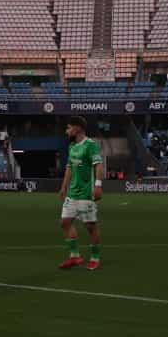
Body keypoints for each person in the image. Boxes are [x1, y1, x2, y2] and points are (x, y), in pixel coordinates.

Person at [57, 117, 104, 272]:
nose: (67, 131)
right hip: (72, 194)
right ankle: (75, 256)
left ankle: (95, 258)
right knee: (65, 222)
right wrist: (64, 187)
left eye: (69, 128)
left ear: (77, 129)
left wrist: (98, 185)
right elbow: (69, 168)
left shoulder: (90, 145)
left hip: (86, 194)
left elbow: (98, 166)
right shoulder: (72, 146)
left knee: (90, 227)